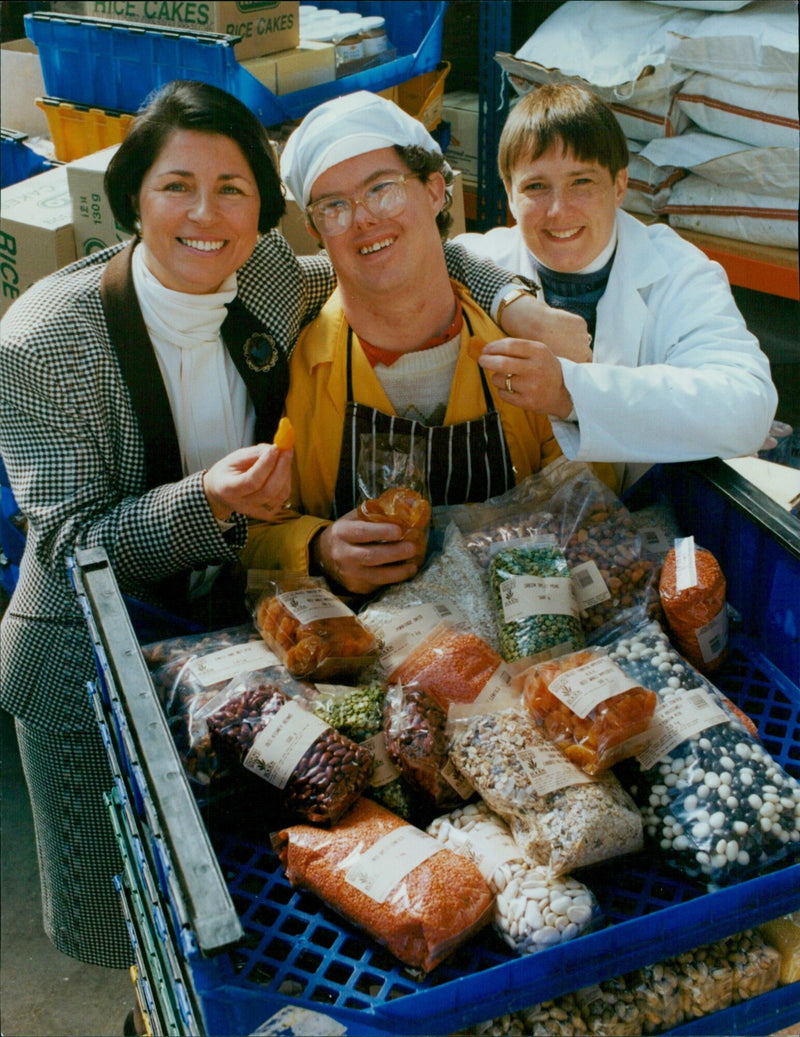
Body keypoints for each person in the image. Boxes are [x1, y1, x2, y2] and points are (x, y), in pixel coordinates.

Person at [0, 79, 592, 975]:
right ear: (132, 200)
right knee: (130, 927)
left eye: (233, 188)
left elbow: (412, 251)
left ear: (264, 212)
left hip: (238, 643)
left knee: (235, 904)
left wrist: (516, 302)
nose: (206, 213)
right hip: (90, 655)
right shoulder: (44, 341)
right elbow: (71, 544)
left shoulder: (264, 276)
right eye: (176, 187)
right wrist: (207, 503)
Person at [239, 90, 583, 597]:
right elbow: (242, 531)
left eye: (383, 189)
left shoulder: (522, 346)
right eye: (334, 206)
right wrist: (317, 548)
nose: (364, 219)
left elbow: (588, 508)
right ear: (315, 229)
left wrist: (573, 399)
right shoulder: (290, 370)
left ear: (435, 190)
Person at [455, 83, 778, 490]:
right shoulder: (483, 259)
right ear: (508, 194)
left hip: (641, 518)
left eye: (581, 182)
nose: (558, 210)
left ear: (620, 186)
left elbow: (747, 409)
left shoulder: (676, 271)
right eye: (535, 186)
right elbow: (417, 262)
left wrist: (569, 393)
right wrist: (509, 302)